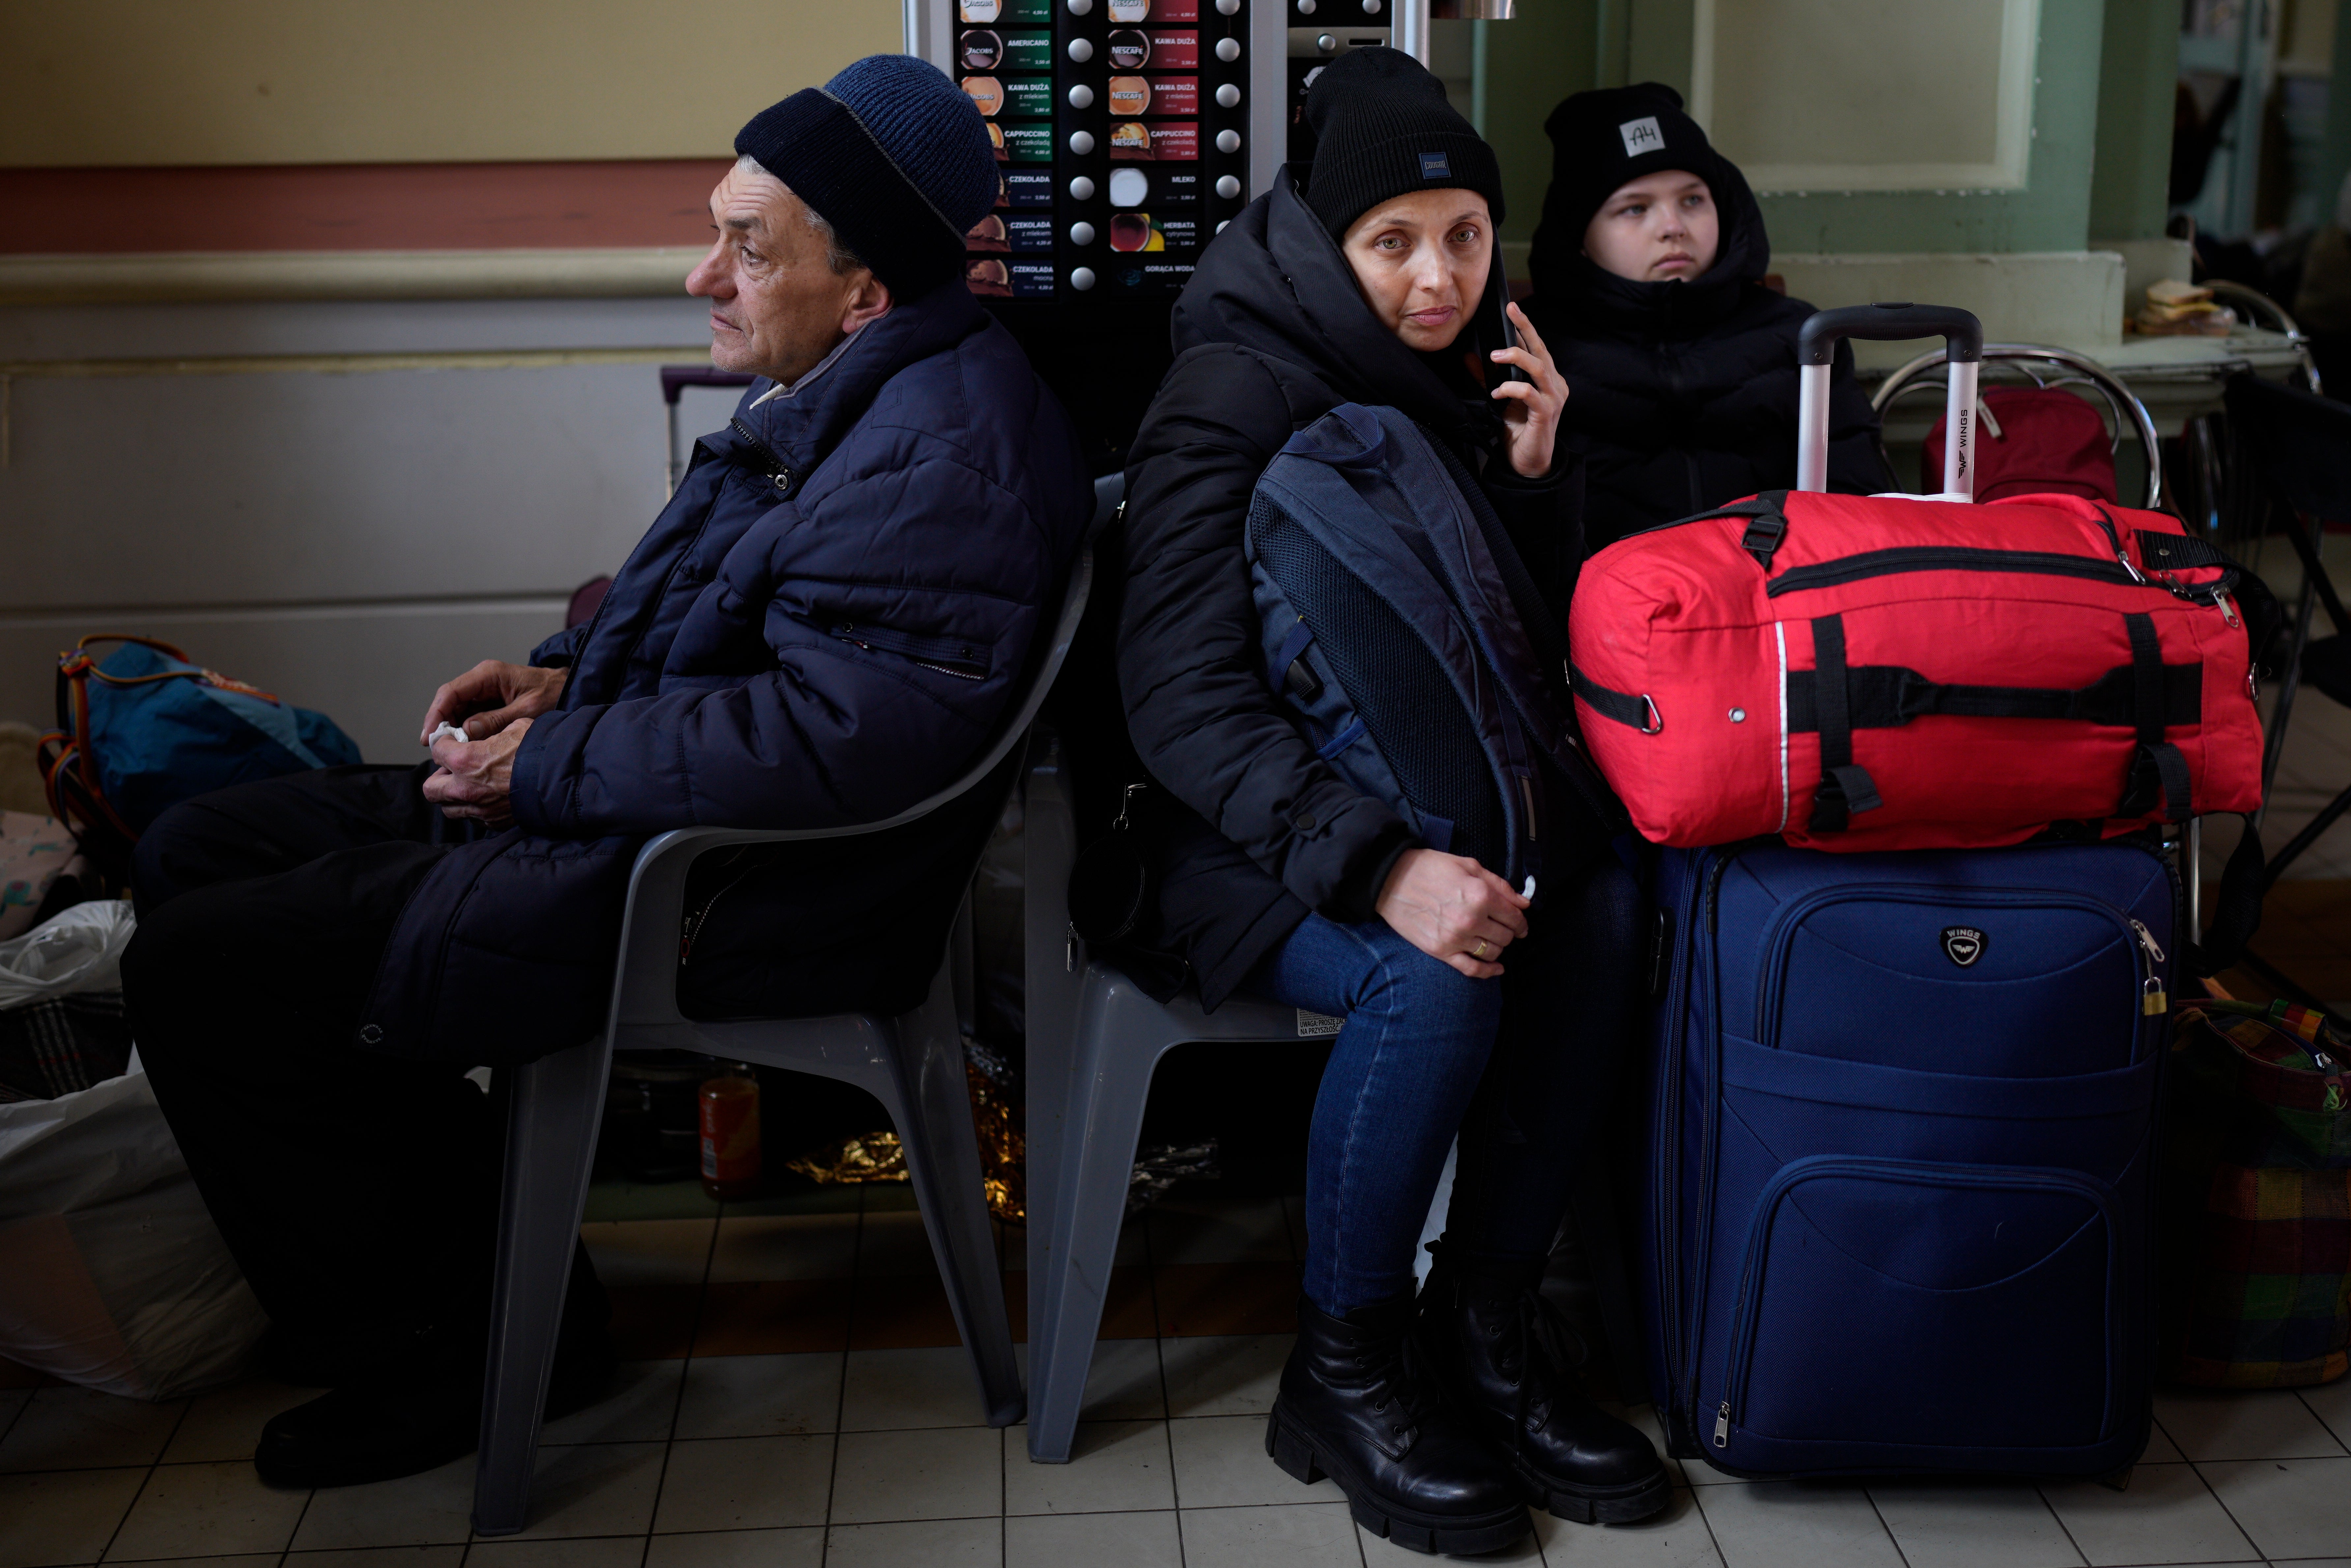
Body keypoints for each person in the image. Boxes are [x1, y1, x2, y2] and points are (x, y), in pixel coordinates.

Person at [121, 55, 1089, 1489]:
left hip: (727, 890)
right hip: (651, 814)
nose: (704, 272)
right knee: (200, 841)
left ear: (866, 285)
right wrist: (562, 682)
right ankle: (448, 1280)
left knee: (207, 966)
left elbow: (822, 741)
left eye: (748, 247)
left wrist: (555, 758)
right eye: (718, 225)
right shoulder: (862, 386)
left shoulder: (938, 459)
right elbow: (759, 645)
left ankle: (458, 1336)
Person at [1115, 47, 1670, 1557]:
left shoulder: (1466, 367)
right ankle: (1342, 1374)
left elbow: (1498, 662)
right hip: (1231, 837)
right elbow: (1174, 701)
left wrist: (1540, 475)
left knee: (1606, 903)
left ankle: (1480, 1339)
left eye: (1465, 235)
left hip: (1418, 801)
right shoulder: (1228, 383)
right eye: (1393, 242)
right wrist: (1376, 869)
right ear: (1322, 238)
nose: (1437, 278)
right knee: (1438, 964)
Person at [1522, 83, 1889, 553]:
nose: (1673, 227)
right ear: (1580, 235)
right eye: (1635, 208)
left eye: (1693, 200)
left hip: (1780, 602)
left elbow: (1857, 500)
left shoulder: (1801, 337)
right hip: (1606, 610)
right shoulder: (1537, 349)